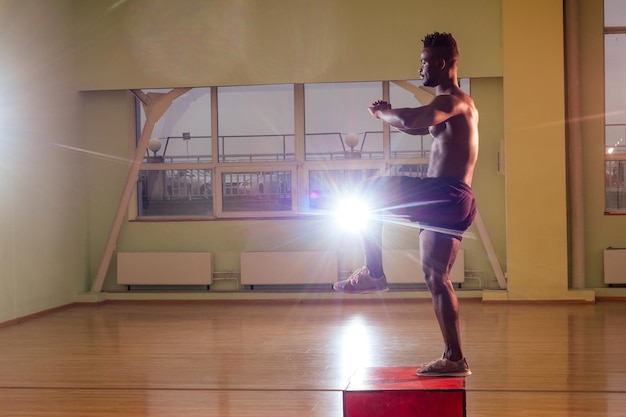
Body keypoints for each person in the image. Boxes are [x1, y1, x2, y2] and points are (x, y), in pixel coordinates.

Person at [333, 32, 478, 377]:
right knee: (436, 277)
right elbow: (419, 127)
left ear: (441, 64)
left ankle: (374, 273)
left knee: (368, 191)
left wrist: (387, 116)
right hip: (453, 202)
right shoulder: (453, 108)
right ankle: (454, 358)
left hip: (444, 192)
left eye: (425, 62)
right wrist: (387, 113)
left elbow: (414, 120)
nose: (420, 68)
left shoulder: (454, 99)